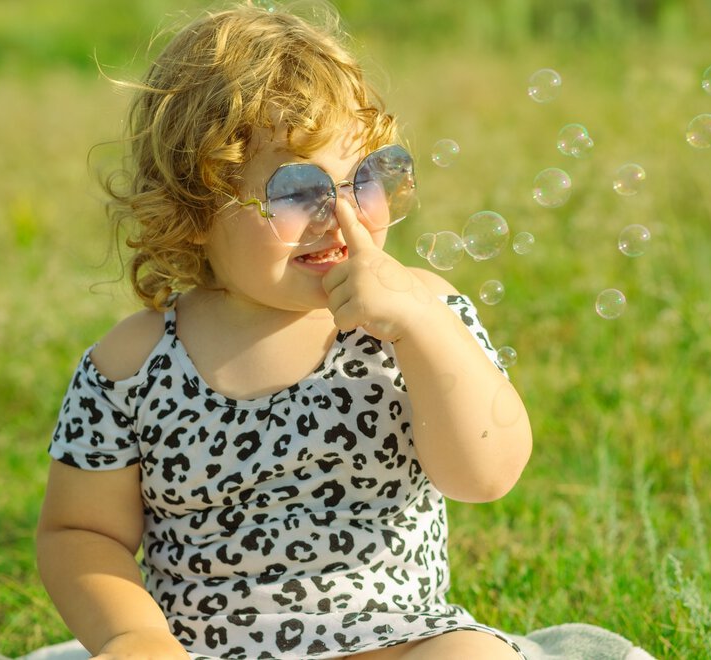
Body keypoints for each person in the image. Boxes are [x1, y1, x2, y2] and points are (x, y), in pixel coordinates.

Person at [35, 2, 533, 658]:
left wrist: (419, 325)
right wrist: (134, 635)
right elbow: (80, 532)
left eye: (366, 178)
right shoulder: (134, 365)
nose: (341, 214)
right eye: (298, 190)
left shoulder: (419, 313)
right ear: (194, 208)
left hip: (398, 642)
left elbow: (486, 475)